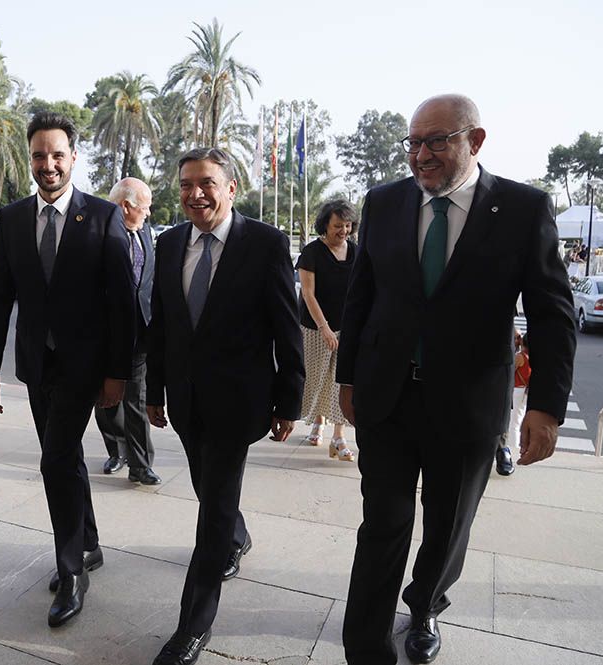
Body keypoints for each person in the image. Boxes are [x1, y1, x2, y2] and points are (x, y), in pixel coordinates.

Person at [336, 95, 576, 665]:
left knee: (446, 526)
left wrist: (545, 406)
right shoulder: (384, 201)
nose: (421, 155)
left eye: (437, 141)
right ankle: (366, 649)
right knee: (383, 523)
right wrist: (348, 378)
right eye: (414, 142)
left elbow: (551, 311)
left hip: (467, 406)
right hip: (387, 398)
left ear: (476, 140)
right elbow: (362, 297)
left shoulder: (522, 208)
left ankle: (424, 606)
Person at [145, 147, 304, 665]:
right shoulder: (168, 244)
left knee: (211, 510)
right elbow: (163, 325)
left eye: (207, 183)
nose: (196, 194)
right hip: (186, 402)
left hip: (239, 403)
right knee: (206, 486)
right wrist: (154, 390)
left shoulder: (266, 244)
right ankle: (237, 535)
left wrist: (290, 398)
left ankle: (192, 626)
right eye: (187, 184)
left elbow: (286, 325)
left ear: (231, 188)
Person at [0, 112, 135, 628]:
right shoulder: (12, 217)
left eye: (58, 154)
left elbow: (121, 303)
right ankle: (87, 546)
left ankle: (71, 573)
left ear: (73, 157)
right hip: (36, 366)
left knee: (54, 461)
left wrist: (118, 374)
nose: (49, 164)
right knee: (65, 461)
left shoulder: (105, 217)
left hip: (85, 367)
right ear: (31, 159)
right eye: (40, 155)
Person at [95, 177, 162, 485]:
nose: (148, 214)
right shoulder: (95, 234)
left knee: (136, 398)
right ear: (126, 206)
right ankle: (116, 451)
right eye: (144, 208)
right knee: (107, 401)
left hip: (140, 332)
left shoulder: (145, 231)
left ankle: (141, 464)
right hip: (104, 334)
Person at [296, 200, 358, 461]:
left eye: (347, 225)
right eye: (337, 226)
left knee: (341, 381)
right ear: (325, 225)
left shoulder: (356, 252)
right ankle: (318, 421)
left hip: (348, 327)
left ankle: (338, 436)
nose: (342, 230)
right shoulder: (312, 252)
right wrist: (324, 328)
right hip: (315, 327)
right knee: (318, 377)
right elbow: (308, 294)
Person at [498, 330, 531, 476]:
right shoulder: (531, 357)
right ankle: (513, 447)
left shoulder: (520, 357)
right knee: (518, 419)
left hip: (516, 390)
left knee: (513, 423)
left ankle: (511, 447)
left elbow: (510, 371)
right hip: (524, 391)